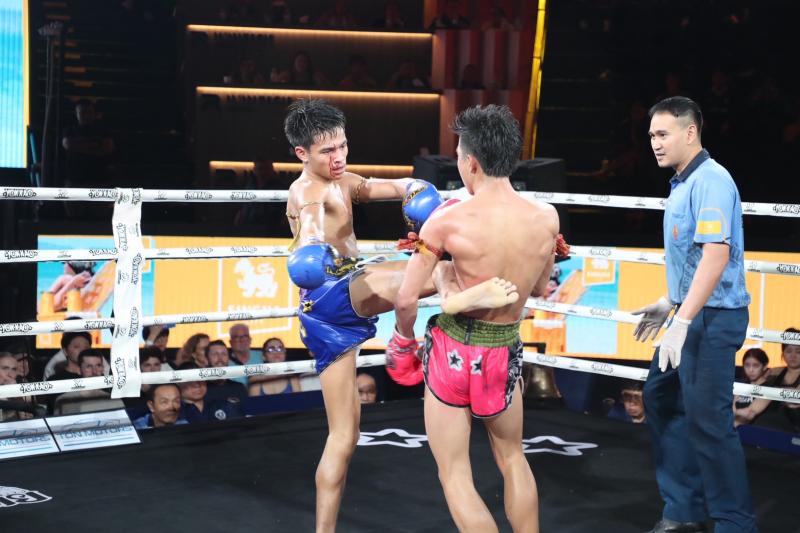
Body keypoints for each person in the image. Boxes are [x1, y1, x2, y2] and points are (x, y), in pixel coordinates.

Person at [283, 98, 517, 532]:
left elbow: (393, 186)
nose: (338, 156)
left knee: (344, 436)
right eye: (327, 151)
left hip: (338, 298)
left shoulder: (343, 180)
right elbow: (310, 233)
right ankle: (459, 296)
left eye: (342, 145)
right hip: (331, 295)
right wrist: (314, 252)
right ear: (302, 153)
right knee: (437, 267)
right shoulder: (308, 192)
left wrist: (415, 188)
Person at [391, 104, 563, 532]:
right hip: (503, 349)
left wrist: (403, 341)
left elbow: (406, 298)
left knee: (455, 474)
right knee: (513, 458)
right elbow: (540, 288)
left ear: (470, 162)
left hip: (453, 349)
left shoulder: (446, 221)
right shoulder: (546, 218)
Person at [633, 96, 756, 533]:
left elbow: (715, 258)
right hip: (692, 313)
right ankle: (684, 508)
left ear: (690, 133)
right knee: (661, 398)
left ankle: (735, 523)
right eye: (651, 135)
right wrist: (670, 301)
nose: (655, 143)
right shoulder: (683, 183)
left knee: (710, 424)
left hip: (712, 319)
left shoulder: (711, 181)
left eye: (663, 134)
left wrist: (682, 321)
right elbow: (693, 257)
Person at [732, 348, 770, 426]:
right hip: (734, 428)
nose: (751, 370)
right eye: (747, 365)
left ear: (765, 366)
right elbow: (731, 408)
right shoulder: (742, 386)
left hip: (756, 430)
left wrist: (734, 413)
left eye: (756, 365)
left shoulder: (768, 389)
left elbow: (749, 414)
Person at [204, 340, 248, 404]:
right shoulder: (200, 391)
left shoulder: (239, 388)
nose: (220, 358)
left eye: (224, 354)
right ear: (206, 360)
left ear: (228, 359)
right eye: (215, 354)